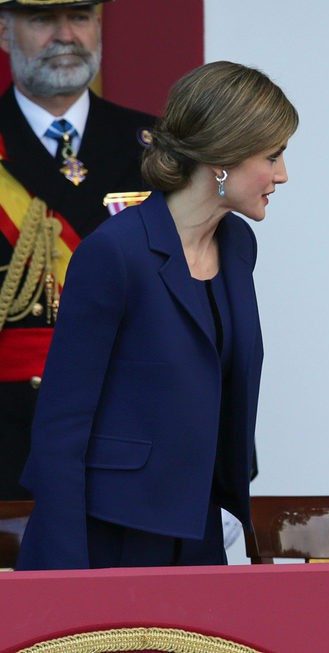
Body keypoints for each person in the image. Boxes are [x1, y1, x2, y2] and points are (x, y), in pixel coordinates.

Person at [15, 60, 298, 570]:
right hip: (111, 533)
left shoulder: (238, 246)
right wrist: (64, 573)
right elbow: (62, 426)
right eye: (273, 155)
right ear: (222, 158)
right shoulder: (116, 253)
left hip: (199, 529)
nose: (282, 174)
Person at [0, 0, 155, 500]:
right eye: (42, 19)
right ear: (5, 31)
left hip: (129, 419)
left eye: (81, 17)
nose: (65, 34)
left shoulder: (160, 149)